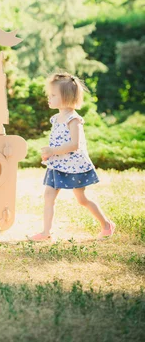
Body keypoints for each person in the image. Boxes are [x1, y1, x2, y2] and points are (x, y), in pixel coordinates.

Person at [29, 72, 115, 241]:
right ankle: (46, 232)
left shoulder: (73, 120)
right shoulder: (55, 119)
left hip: (74, 165)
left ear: (67, 98)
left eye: (53, 95)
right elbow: (58, 143)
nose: (49, 98)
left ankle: (106, 224)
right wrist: (50, 153)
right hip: (58, 165)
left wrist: (53, 151)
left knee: (81, 199)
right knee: (49, 196)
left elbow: (74, 145)